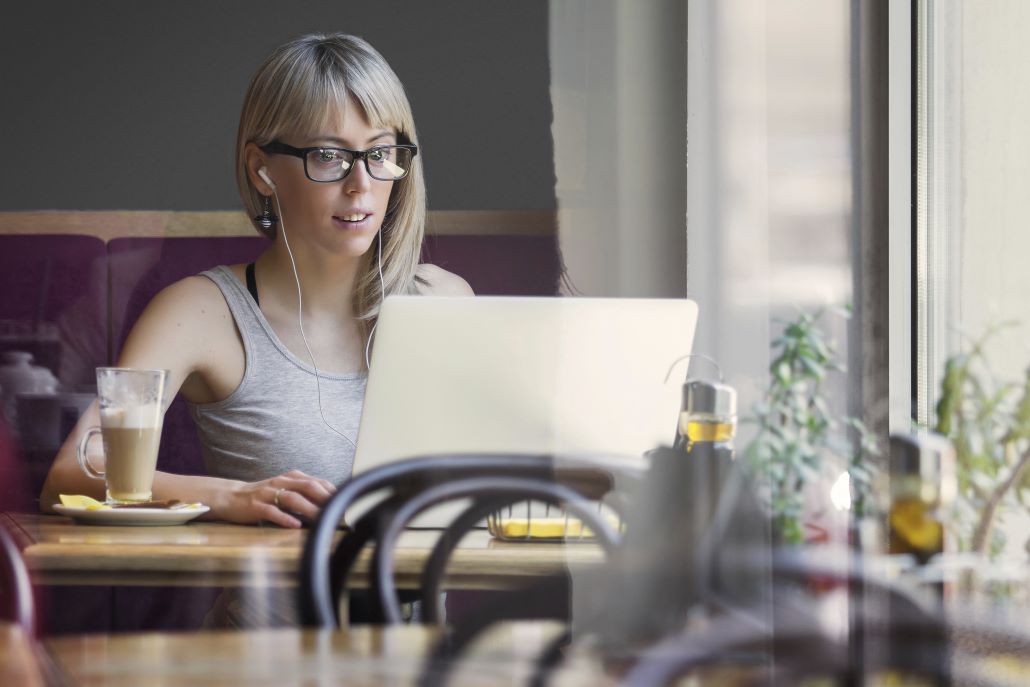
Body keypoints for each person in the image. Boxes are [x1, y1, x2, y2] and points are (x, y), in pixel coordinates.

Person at [40, 33, 473, 528]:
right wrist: (232, 497)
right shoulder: (200, 313)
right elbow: (71, 473)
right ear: (262, 169)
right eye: (329, 156)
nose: (361, 185)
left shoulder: (443, 301)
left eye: (380, 153)